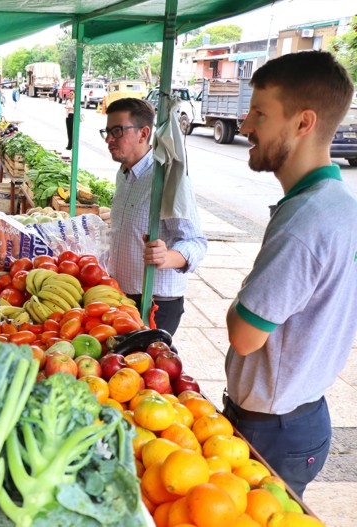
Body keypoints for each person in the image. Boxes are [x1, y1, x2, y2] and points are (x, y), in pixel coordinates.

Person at [224, 51, 357, 499]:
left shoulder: (305, 222)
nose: (244, 126)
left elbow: (245, 335)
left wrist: (243, 295)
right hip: (303, 417)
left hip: (275, 433)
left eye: (259, 113)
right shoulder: (341, 205)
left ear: (303, 123)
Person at [102, 97, 207, 335]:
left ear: (143, 133)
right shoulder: (125, 173)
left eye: (117, 131)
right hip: (122, 295)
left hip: (156, 302)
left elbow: (196, 242)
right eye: (107, 132)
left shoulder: (165, 179)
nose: (109, 139)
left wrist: (167, 256)